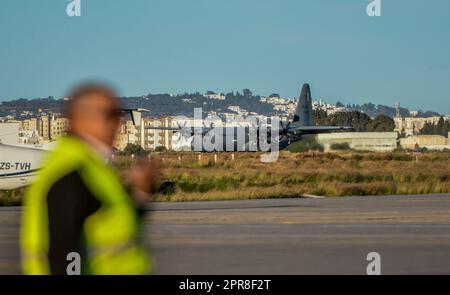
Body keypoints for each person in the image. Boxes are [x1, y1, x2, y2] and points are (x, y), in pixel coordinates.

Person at [21, 83, 160, 275]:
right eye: (112, 115)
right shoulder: (71, 172)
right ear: (82, 118)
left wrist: (140, 191)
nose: (119, 123)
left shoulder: (91, 165)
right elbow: (66, 256)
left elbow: (113, 226)